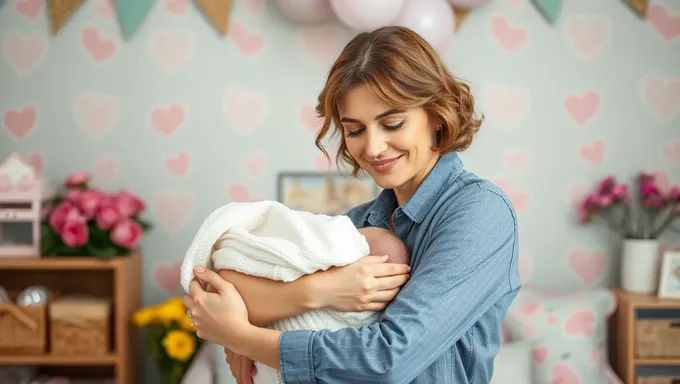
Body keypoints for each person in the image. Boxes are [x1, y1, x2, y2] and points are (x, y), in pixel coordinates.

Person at [184, 25, 521, 384]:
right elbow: (225, 291)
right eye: (355, 130)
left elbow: (388, 359)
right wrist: (318, 291)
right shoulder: (357, 223)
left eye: (392, 124)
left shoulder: (480, 211)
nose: (373, 148)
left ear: (437, 116)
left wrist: (242, 337)